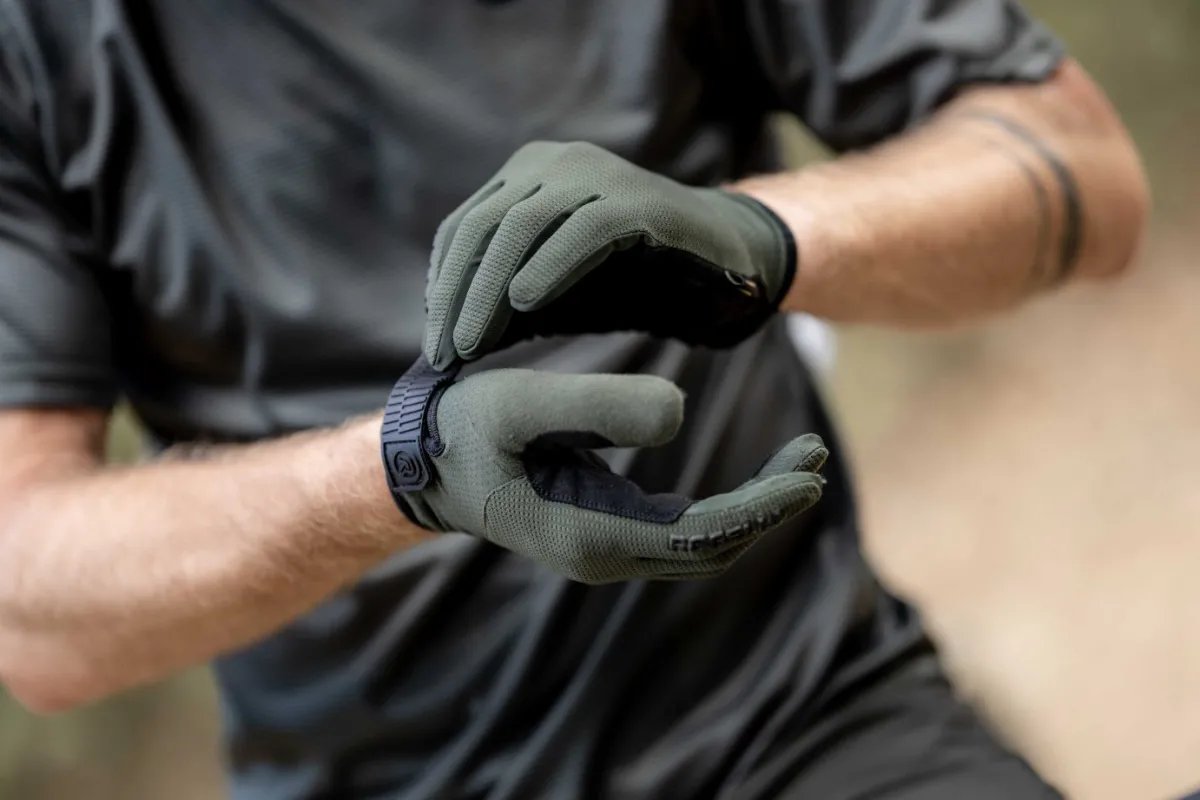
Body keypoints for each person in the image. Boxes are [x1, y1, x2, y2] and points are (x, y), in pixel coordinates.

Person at [0, 0, 1148, 798]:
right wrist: (401, 469)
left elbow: (1085, 168)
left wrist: (760, 237)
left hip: (798, 717)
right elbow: (30, 608)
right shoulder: (35, 43)